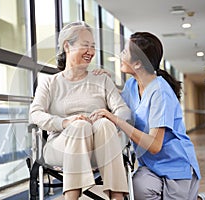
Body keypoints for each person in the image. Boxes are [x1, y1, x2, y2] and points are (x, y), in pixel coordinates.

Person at [90, 32, 203, 200]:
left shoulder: (160, 92)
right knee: (138, 188)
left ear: (137, 63)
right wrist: (106, 82)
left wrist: (116, 120)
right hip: (151, 166)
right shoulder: (132, 84)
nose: (120, 55)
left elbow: (155, 145)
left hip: (176, 168)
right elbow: (118, 106)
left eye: (124, 52)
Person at [29, 21, 131, 200]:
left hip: (100, 146)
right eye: (85, 45)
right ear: (67, 46)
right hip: (61, 146)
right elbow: (35, 114)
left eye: (93, 46)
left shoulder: (102, 80)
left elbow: (124, 111)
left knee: (105, 123)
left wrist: (110, 117)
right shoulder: (50, 82)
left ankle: (117, 197)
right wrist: (65, 122)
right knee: (79, 126)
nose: (91, 51)